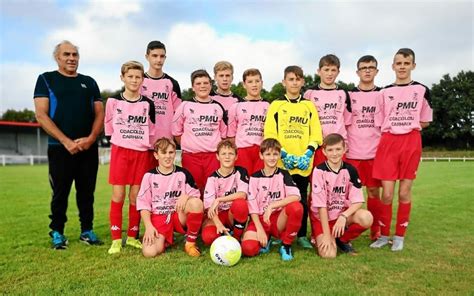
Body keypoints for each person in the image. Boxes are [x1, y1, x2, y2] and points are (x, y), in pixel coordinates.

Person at [34, 40, 104, 249]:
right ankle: (57, 232)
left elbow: (100, 113)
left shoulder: (89, 82)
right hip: (59, 148)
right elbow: (41, 115)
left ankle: (87, 230)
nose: (71, 58)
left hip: (88, 148)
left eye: (75, 55)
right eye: (67, 54)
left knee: (86, 192)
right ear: (57, 57)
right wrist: (66, 141)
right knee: (60, 192)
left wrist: (91, 139)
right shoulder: (46, 79)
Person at [371, 48, 433, 251]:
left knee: (404, 192)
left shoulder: (422, 90)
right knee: (387, 194)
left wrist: (407, 125)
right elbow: (379, 121)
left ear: (413, 66)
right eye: (399, 63)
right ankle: (383, 235)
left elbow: (425, 120)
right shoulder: (384, 92)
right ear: (393, 66)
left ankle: (399, 236)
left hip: (411, 142)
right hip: (388, 142)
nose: (402, 67)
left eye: (407, 63)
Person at [264, 66, 323, 249]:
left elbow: (317, 134)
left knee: (301, 199)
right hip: (282, 162)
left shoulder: (308, 105)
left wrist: (308, 152)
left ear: (303, 82)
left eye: (298, 79)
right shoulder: (276, 105)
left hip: (303, 163)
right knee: (281, 198)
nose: (294, 82)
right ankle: (278, 233)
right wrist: (283, 153)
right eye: (291, 79)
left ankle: (301, 235)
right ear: (284, 82)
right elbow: (269, 134)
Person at [104, 61, 156, 254]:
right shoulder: (113, 102)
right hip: (121, 152)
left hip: (141, 154)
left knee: (136, 196)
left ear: (143, 79)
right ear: (122, 77)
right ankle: (116, 239)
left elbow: (151, 132)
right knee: (118, 195)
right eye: (130, 76)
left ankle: (132, 237)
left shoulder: (147, 104)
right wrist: (124, 141)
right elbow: (109, 130)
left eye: (138, 77)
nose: (134, 80)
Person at [137, 138, 204, 257]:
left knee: (196, 204)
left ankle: (190, 243)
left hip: (178, 215)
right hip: (159, 217)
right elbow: (143, 204)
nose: (167, 156)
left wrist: (186, 196)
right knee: (150, 253)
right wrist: (148, 226)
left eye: (171, 152)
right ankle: (164, 239)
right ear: (156, 155)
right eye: (163, 153)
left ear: (175, 154)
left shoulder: (183, 173)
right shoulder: (149, 176)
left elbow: (196, 197)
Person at [310, 133, 373, 258]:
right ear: (324, 152)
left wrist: (343, 216)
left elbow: (358, 201)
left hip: (341, 217)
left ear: (344, 149)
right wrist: (327, 236)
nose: (334, 153)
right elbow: (321, 206)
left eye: (338, 149)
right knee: (329, 255)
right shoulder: (319, 171)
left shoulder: (351, 170)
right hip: (322, 219)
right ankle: (325, 236)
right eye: (330, 150)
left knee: (366, 217)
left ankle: (342, 239)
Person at [241, 138, 303, 261]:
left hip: (278, 219)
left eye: (275, 154)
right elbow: (252, 208)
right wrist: (259, 229)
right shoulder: (254, 177)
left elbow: (296, 196)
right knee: (248, 249)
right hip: (260, 219)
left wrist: (272, 206)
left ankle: (286, 245)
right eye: (268, 154)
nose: (272, 158)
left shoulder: (284, 174)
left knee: (296, 207)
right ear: (261, 155)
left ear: (280, 155)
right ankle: (266, 238)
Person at [345, 55, 383, 241]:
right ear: (357, 72)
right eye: (363, 67)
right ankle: (346, 227)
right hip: (352, 154)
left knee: (374, 192)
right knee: (348, 194)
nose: (367, 70)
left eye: (371, 67)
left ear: (376, 71)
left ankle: (376, 229)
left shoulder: (383, 95)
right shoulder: (348, 96)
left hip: (375, 154)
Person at [172, 69, 227, 193]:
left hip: (213, 156)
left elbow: (223, 135)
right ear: (193, 87)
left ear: (210, 85)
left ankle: (210, 213)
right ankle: (195, 213)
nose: (202, 86)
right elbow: (176, 133)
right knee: (193, 190)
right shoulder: (185, 106)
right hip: (191, 156)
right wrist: (191, 144)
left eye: (205, 83)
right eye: (198, 83)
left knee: (212, 190)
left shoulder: (218, 107)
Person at [304, 54, 352, 166]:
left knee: (338, 181)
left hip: (338, 146)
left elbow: (347, 123)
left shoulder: (343, 93)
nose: (330, 73)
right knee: (317, 181)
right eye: (326, 69)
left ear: (338, 72)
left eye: (333, 70)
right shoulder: (309, 94)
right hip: (317, 146)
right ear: (319, 71)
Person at [201, 139, 249, 246]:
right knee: (209, 238)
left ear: (236, 156)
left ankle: (236, 239)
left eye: (231, 153)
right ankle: (224, 232)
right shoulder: (212, 178)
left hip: (233, 213)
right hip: (218, 214)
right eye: (223, 154)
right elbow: (209, 207)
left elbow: (243, 194)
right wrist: (218, 224)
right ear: (217, 156)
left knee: (241, 204)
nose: (227, 157)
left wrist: (219, 199)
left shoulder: (241, 172)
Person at [227, 68, 269, 175]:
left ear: (262, 83)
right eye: (250, 82)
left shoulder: (269, 106)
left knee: (260, 183)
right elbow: (231, 135)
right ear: (244, 85)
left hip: (262, 150)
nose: (254, 85)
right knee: (243, 184)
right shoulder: (236, 107)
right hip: (242, 151)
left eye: (257, 81)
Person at [140, 41, 182, 146]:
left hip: (166, 142)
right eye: (154, 56)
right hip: (143, 141)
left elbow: (179, 116)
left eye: (162, 56)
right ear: (147, 57)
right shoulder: (138, 82)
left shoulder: (173, 83)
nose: (159, 60)